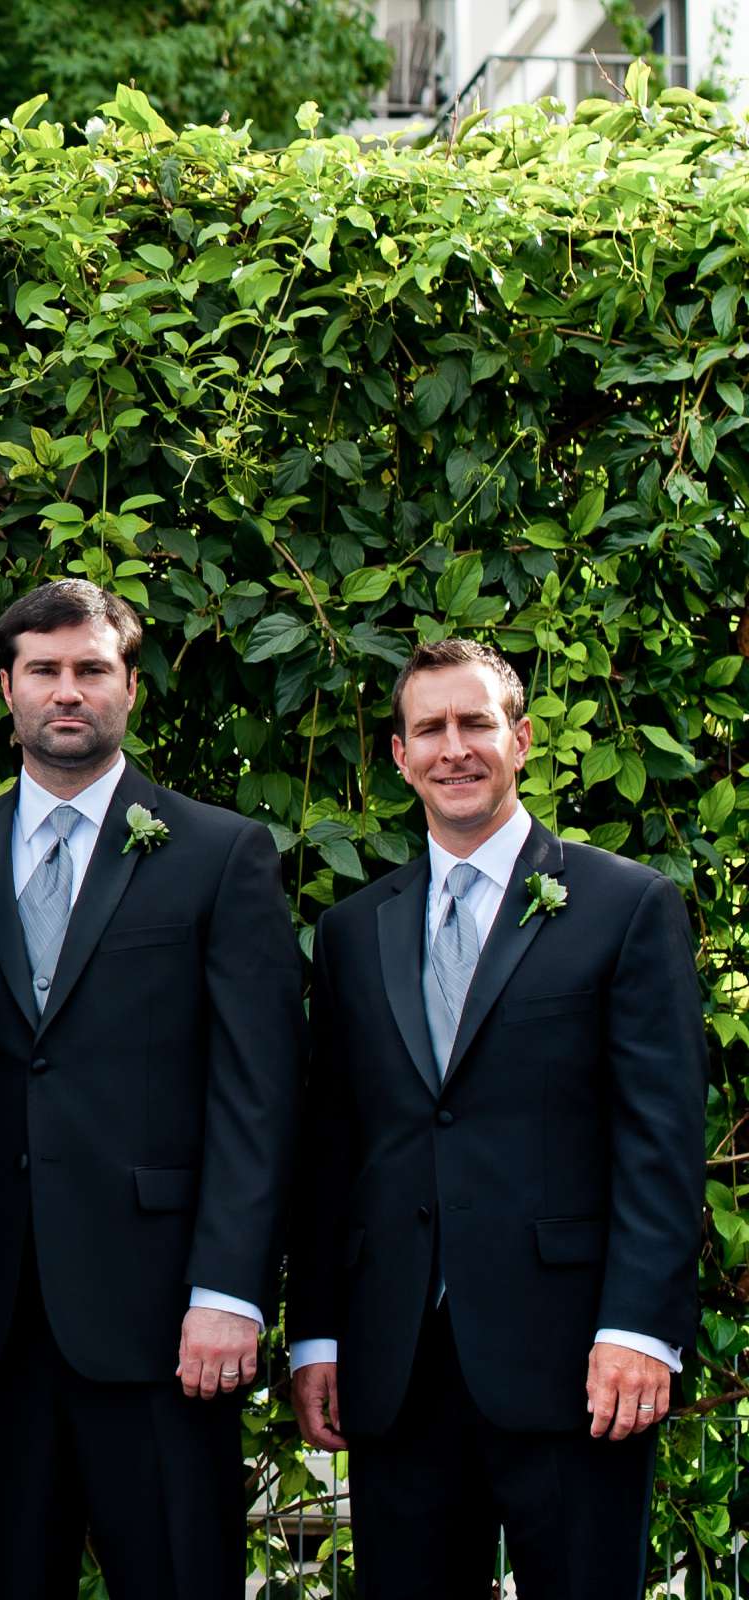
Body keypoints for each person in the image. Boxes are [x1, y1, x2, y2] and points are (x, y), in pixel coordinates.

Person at [0, 578, 304, 1597]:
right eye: (46, 671)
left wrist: (229, 1290)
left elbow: (259, 1091)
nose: (70, 692)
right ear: (7, 688)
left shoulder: (218, 852)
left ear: (129, 688)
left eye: (92, 670)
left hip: (165, 1321)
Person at [286, 637, 704, 1597]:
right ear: (399, 757)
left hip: (573, 1362)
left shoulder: (625, 905)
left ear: (519, 740)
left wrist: (639, 1329)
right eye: (429, 728)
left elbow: (662, 1134)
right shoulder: (353, 931)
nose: (453, 747)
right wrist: (315, 1335)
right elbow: (333, 1145)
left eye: (475, 723)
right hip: (397, 1364)